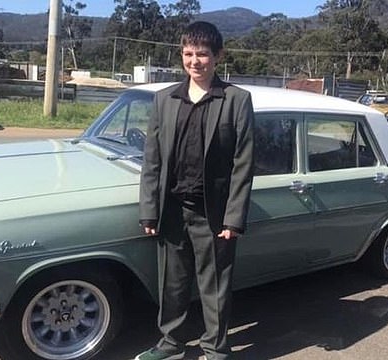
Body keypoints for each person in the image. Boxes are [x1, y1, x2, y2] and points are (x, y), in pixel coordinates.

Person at [136, 21, 255, 360]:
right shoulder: (165, 99)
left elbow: (243, 164)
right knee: (171, 284)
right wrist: (149, 209)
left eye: (202, 54)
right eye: (189, 54)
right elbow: (152, 160)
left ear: (218, 56)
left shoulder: (236, 100)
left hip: (213, 214)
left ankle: (215, 348)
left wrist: (233, 218)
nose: (195, 61)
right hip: (172, 209)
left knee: (214, 287)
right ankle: (171, 344)